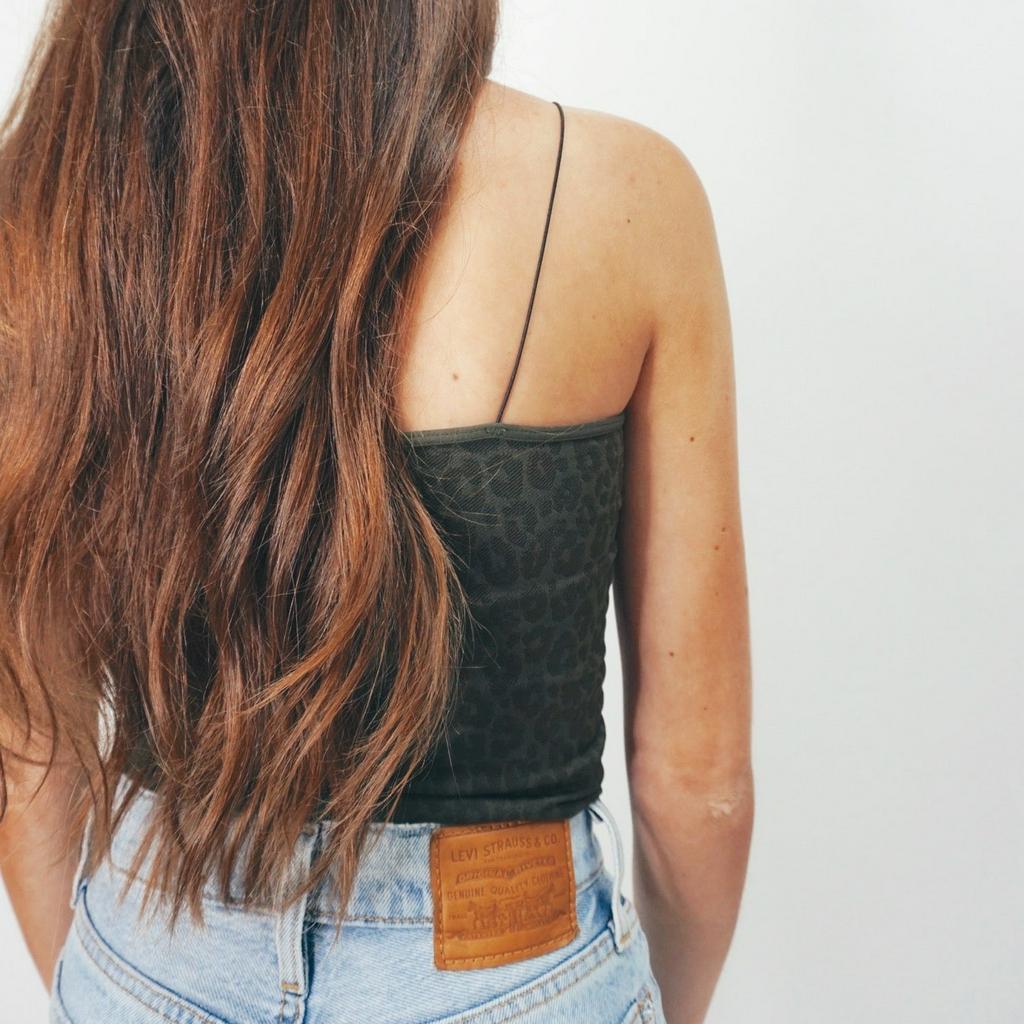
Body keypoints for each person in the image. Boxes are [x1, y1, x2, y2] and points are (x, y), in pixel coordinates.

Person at [0, 3, 753, 1022]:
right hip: (508, 952)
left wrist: (118, 981)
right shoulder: (622, 198)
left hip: (153, 947)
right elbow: (698, 784)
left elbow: (27, 739)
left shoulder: (50, 203)